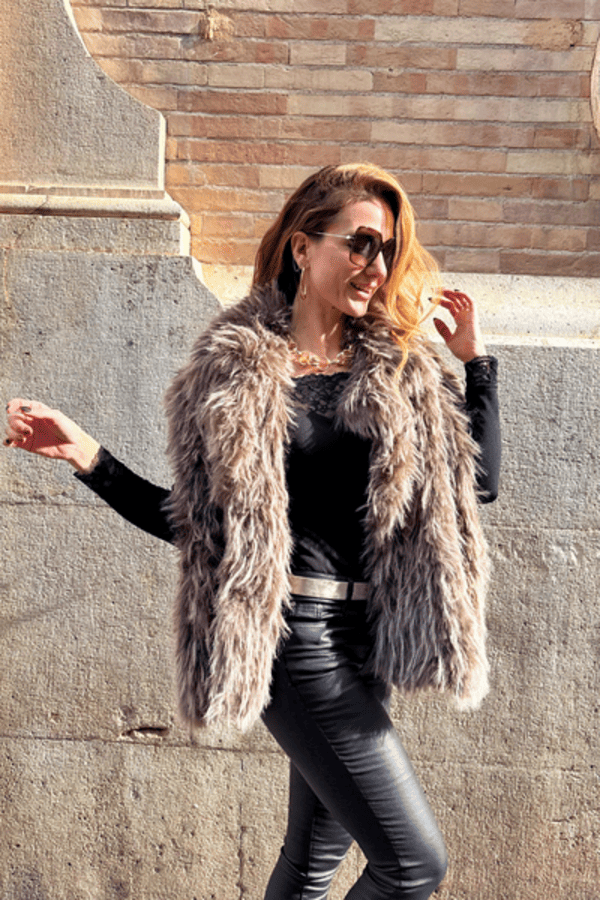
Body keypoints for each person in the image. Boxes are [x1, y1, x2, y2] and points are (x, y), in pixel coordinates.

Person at [5, 163, 500, 900]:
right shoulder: (232, 370)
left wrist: (477, 365)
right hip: (294, 637)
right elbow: (197, 527)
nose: (377, 265)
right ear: (303, 246)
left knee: (314, 858)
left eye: (389, 250)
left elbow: (476, 485)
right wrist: (90, 459)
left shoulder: (396, 365)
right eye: (361, 242)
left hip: (367, 639)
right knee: (412, 865)